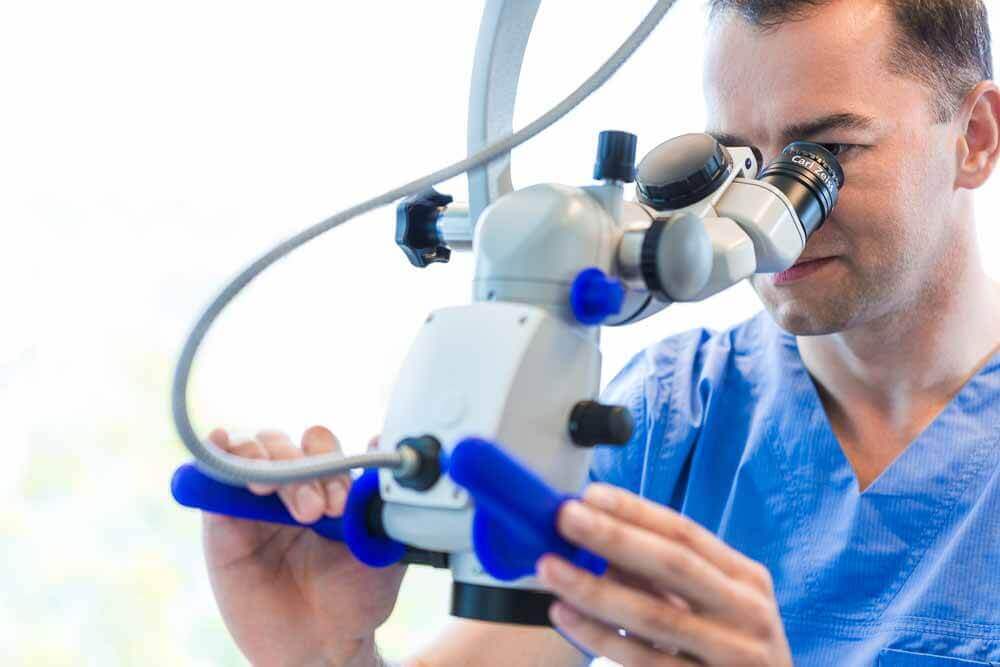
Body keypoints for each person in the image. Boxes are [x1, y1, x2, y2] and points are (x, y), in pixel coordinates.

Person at [199, 0, 1000, 664]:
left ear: (976, 139)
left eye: (823, 155)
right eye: (739, 163)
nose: (767, 215)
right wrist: (323, 654)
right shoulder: (671, 414)